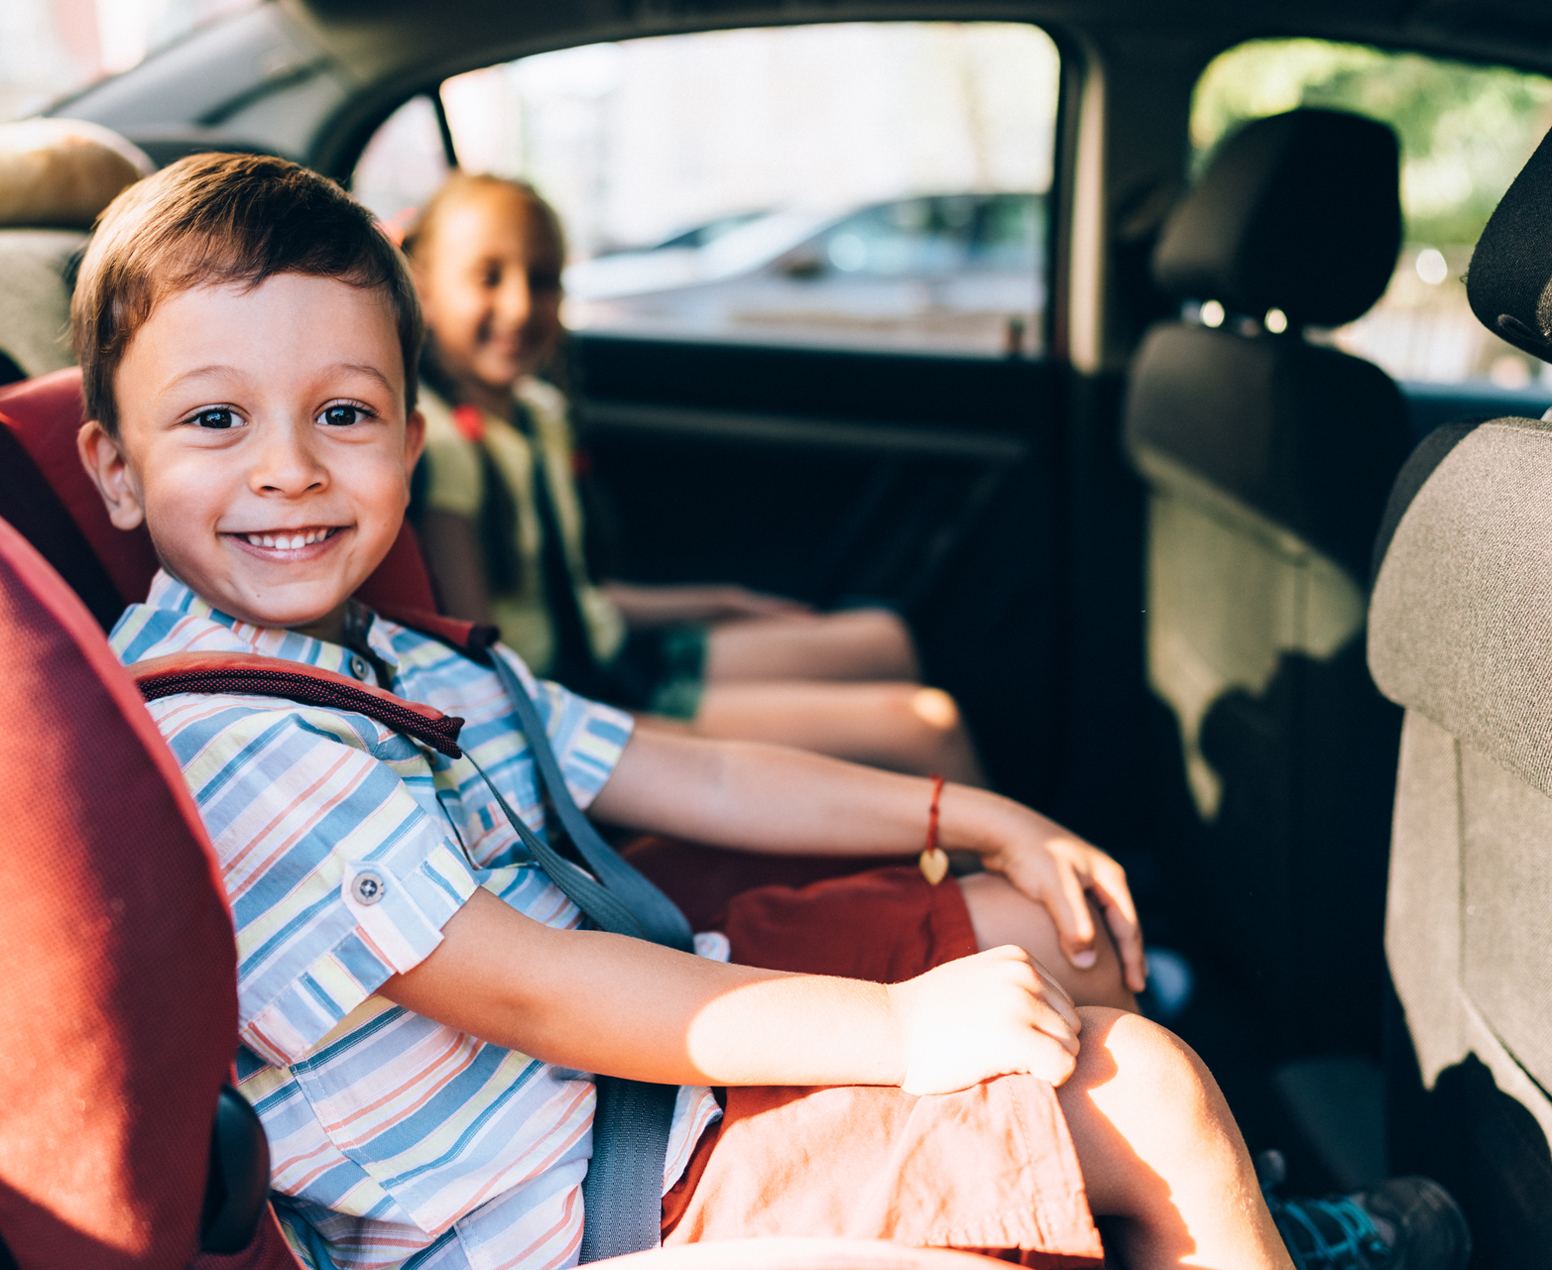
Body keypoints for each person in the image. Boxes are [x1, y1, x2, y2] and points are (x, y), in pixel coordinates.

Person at [71, 153, 1467, 1270]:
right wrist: (903, 1034)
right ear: (114, 470)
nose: (291, 469)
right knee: (1146, 1093)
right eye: (215, 421)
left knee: (1053, 935)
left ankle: (1223, 1218)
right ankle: (1213, 1209)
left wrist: (977, 813)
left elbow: (702, 779)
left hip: (630, 1094)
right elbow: (531, 988)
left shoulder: (395, 657)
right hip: (558, 1207)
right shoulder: (231, 740)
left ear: (409, 440)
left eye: (343, 414)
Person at [403, 172, 984, 783]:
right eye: (488, 277)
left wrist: (717, 602)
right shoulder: (443, 446)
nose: (521, 305)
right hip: (573, 706)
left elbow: (574, 601)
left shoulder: (535, 414)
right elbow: (484, 667)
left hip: (618, 657)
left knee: (887, 638)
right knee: (927, 728)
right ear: (425, 289)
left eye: (543, 280)